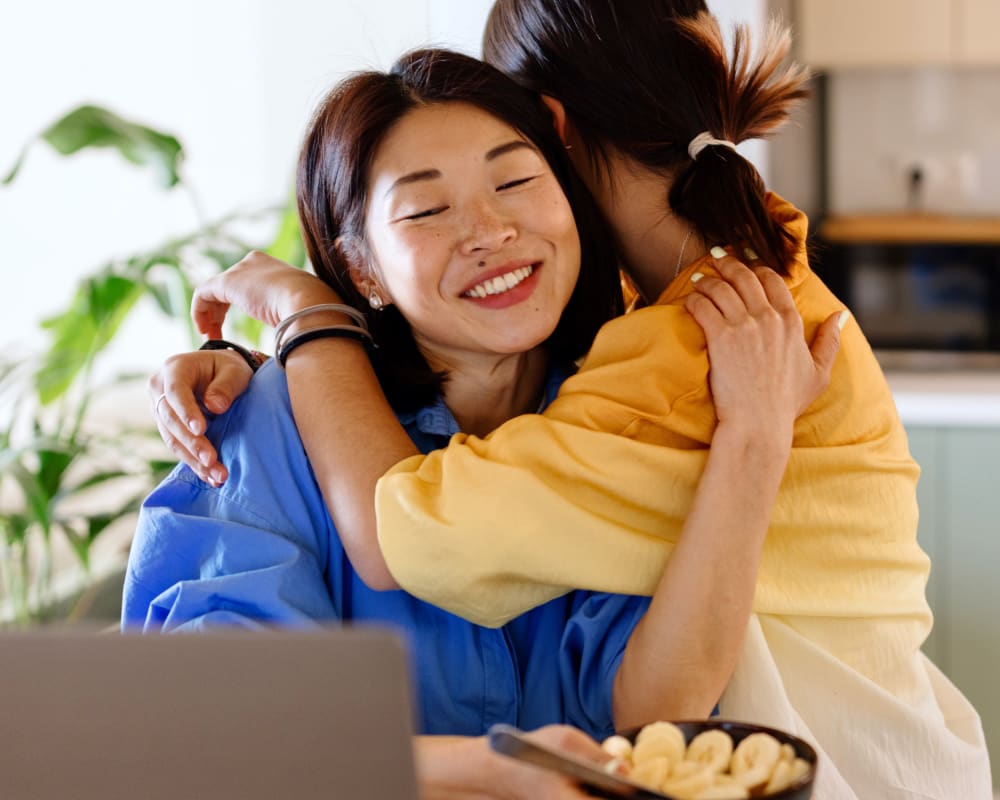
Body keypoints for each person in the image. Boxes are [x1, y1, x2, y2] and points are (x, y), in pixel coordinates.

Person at [158, 4, 993, 797]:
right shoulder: (265, 426)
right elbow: (211, 735)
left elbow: (656, 708)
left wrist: (309, 314)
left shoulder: (616, 405)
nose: (488, 231)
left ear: (561, 159)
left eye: (516, 181)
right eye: (427, 209)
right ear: (363, 266)